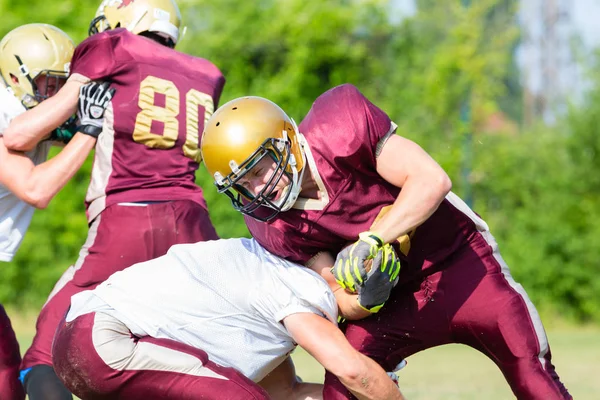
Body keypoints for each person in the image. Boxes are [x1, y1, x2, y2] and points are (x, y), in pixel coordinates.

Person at [200, 85, 572, 400]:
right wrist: (368, 297)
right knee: (343, 390)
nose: (259, 188)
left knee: (531, 373)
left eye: (260, 168)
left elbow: (431, 180)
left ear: (285, 140)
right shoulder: (273, 226)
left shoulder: (337, 126)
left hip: (458, 263)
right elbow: (336, 293)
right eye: (244, 184)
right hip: (392, 304)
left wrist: (373, 238)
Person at [3, 1, 226, 399]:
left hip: (127, 219)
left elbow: (20, 138)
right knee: (189, 353)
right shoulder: (207, 72)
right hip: (194, 224)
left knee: (43, 353)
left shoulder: (113, 47)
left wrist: (84, 124)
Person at [51, 237, 405, 400]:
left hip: (84, 339)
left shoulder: (270, 272)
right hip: (103, 339)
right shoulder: (298, 288)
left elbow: (288, 393)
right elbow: (354, 372)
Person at [0, 23, 114, 400]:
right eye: (53, 85)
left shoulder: (23, 109)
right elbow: (36, 188)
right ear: (17, 77)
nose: (62, 97)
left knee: (7, 380)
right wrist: (87, 130)